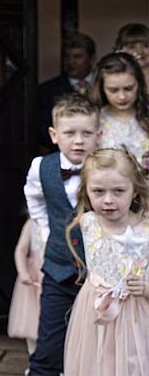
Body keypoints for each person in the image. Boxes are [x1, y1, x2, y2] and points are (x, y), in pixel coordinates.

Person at [24, 93, 98, 376]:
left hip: (97, 275)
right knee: (49, 346)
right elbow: (35, 200)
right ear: (54, 135)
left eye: (87, 133)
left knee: (95, 343)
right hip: (58, 270)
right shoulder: (40, 167)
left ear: (98, 135)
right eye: (70, 133)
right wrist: (46, 231)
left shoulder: (107, 167)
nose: (78, 140)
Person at [62, 148, 149, 376]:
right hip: (94, 312)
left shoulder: (146, 228)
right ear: (86, 192)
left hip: (138, 316)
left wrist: (146, 288)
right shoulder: (87, 223)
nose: (108, 200)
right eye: (98, 191)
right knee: (98, 365)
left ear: (134, 191)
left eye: (119, 191)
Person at [91, 51, 149, 171]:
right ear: (101, 88)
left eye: (128, 88)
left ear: (139, 84)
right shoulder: (93, 119)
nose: (122, 96)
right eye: (113, 90)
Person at [38, 32, 96, 147]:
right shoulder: (47, 90)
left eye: (77, 57)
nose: (71, 62)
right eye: (67, 57)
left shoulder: (104, 85)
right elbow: (42, 130)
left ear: (91, 58)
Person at [7, 216, 47, 354]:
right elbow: (21, 250)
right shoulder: (32, 223)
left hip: (54, 275)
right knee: (31, 318)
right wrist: (23, 272)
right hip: (34, 278)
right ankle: (33, 355)